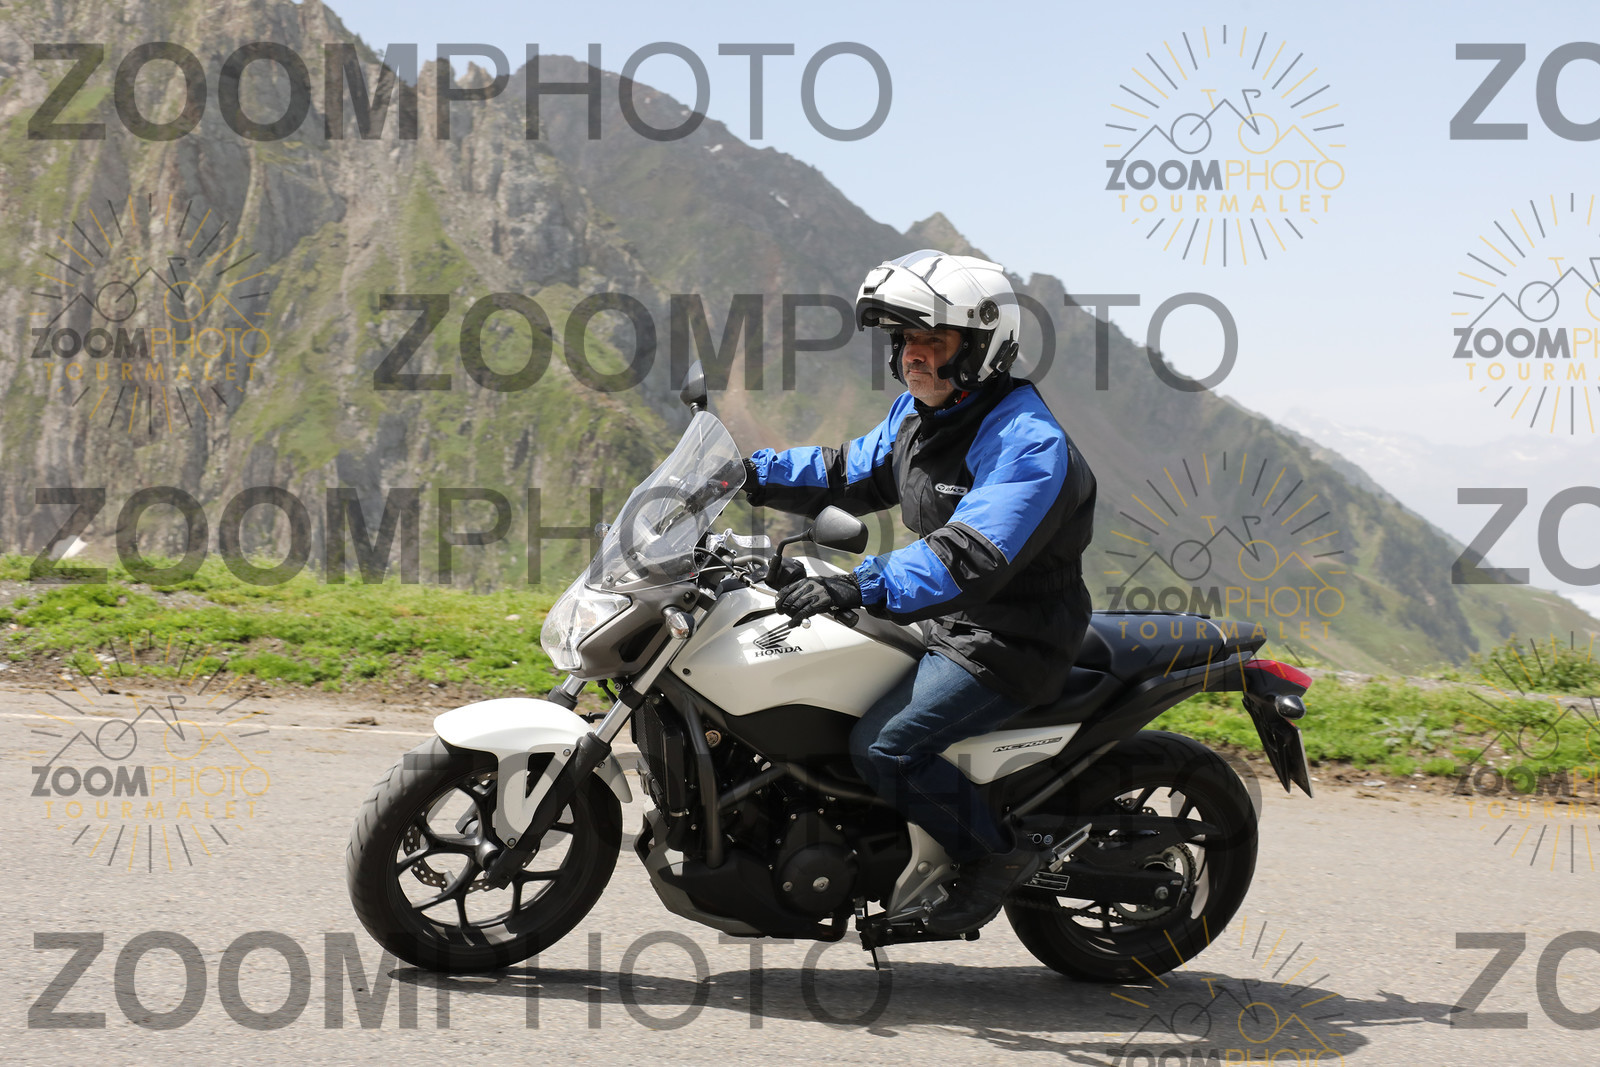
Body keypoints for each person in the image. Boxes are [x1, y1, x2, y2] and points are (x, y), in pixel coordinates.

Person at [741, 249, 1097, 934]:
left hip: (1007, 639)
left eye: (934, 339)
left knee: (885, 747)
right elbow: (844, 470)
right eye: (905, 338)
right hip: (943, 620)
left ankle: (990, 857)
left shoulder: (1027, 442)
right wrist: (746, 473)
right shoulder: (919, 413)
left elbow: (969, 554)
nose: (913, 354)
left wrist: (859, 584)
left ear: (983, 345)